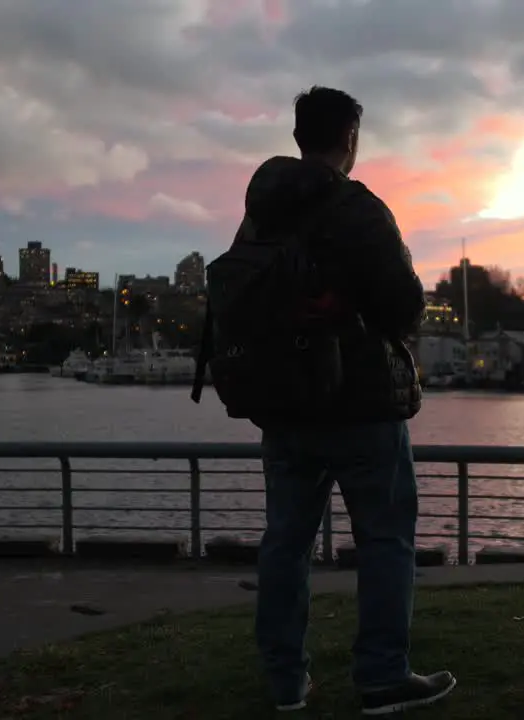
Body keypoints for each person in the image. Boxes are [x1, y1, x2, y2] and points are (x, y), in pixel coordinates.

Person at [192, 86, 456, 715]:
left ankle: (286, 681)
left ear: (298, 135)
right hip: (361, 403)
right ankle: (382, 676)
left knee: (284, 542)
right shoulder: (358, 207)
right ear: (351, 138)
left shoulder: (257, 214)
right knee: (385, 538)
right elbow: (405, 306)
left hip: (282, 405)